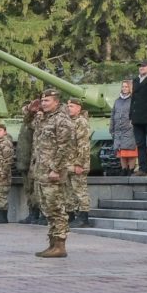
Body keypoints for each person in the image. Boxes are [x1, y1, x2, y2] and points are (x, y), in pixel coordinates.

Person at [32, 90, 76, 258]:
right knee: (47, 207)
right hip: (42, 171)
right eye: (42, 100)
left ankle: (60, 245)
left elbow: (64, 147)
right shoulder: (44, 118)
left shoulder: (61, 120)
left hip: (53, 172)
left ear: (56, 102)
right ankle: (52, 244)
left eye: (47, 100)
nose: (43, 103)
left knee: (56, 207)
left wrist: (56, 168)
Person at [67, 100, 92, 226]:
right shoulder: (69, 121)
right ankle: (71, 216)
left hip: (77, 163)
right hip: (68, 164)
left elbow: (83, 145)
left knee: (80, 191)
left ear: (78, 108)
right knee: (69, 192)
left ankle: (84, 217)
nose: (68, 108)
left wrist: (79, 163)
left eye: (71, 106)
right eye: (67, 106)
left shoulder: (81, 122)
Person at [110, 80, 137, 175]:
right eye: (123, 87)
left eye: (126, 87)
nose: (124, 88)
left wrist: (133, 124)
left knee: (130, 153)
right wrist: (111, 128)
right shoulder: (117, 101)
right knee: (122, 153)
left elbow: (136, 113)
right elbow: (113, 114)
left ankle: (131, 170)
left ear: (130, 88)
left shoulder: (133, 100)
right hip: (119, 130)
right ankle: (124, 170)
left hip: (130, 130)